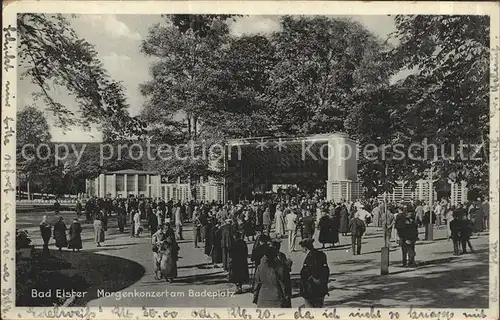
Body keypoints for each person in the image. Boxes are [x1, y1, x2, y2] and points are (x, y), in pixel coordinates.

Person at [299, 238, 329, 308]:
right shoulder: (321, 254)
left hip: (310, 290)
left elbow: (305, 273)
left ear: (305, 248)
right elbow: (326, 269)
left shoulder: (309, 258)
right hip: (321, 289)